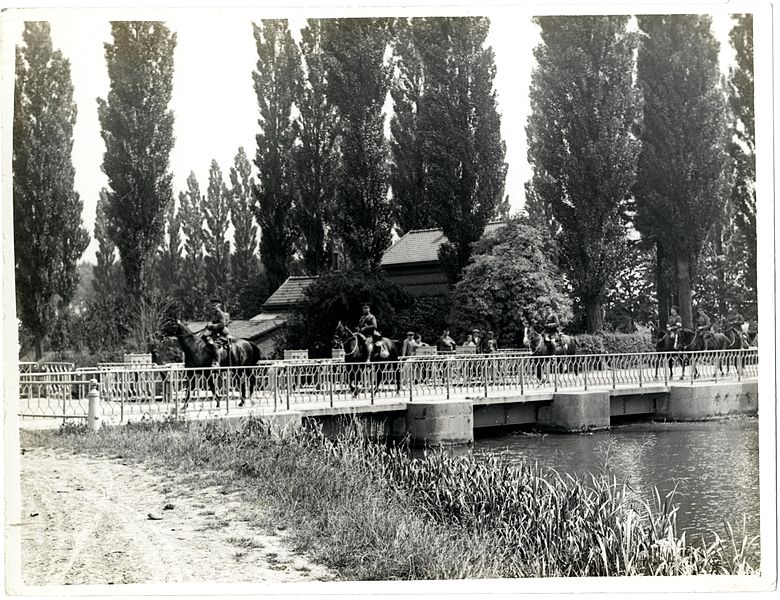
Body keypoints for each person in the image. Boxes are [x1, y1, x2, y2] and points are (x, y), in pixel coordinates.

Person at [205, 299, 230, 366]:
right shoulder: (215, 314)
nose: (212, 307)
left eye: (214, 305)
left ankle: (217, 363)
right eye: (212, 306)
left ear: (218, 306)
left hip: (220, 335)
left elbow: (222, 324)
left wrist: (212, 326)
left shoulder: (220, 314)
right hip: (214, 334)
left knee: (214, 345)